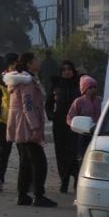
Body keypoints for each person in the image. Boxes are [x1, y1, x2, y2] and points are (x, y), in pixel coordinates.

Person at [4, 52, 56, 207]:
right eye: (35, 60)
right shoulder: (26, 82)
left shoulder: (23, 81)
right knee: (39, 162)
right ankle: (38, 195)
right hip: (26, 127)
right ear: (29, 64)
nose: (38, 62)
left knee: (25, 162)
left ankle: (22, 194)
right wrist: (35, 128)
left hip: (21, 125)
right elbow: (29, 106)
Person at [46, 60, 81, 193]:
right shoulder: (56, 85)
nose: (67, 72)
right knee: (61, 153)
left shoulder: (79, 84)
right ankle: (64, 180)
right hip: (60, 123)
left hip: (76, 123)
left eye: (69, 69)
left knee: (75, 152)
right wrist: (52, 115)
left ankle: (77, 180)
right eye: (64, 70)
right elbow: (48, 103)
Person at [0, 52, 20, 192]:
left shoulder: (24, 79)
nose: (17, 66)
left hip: (21, 121)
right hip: (4, 119)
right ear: (9, 65)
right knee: (4, 151)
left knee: (24, 153)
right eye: (14, 63)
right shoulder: (1, 80)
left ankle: (28, 181)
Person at [67, 75, 102, 171]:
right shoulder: (78, 102)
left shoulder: (100, 100)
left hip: (98, 133)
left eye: (95, 87)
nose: (93, 89)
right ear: (84, 89)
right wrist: (75, 125)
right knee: (82, 157)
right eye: (90, 87)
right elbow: (70, 117)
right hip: (83, 134)